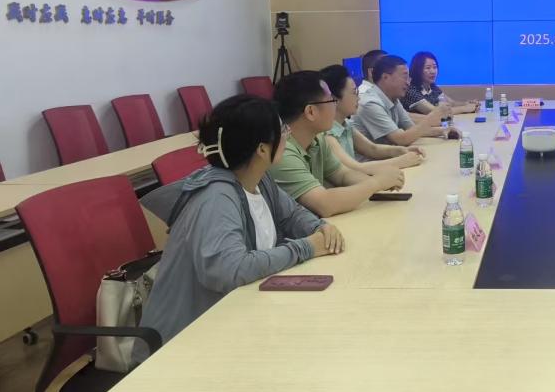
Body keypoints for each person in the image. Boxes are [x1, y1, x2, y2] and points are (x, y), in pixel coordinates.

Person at [133, 95, 343, 362]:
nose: (287, 134)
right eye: (281, 130)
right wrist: (306, 247)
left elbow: (292, 215)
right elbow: (229, 270)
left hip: (232, 321)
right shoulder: (216, 198)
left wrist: (321, 227)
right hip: (183, 346)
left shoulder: (259, 179)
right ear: (262, 149)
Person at [271, 71, 404, 219]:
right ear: (311, 112)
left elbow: (342, 175)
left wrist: (383, 182)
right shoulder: (282, 152)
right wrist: (376, 183)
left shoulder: (317, 139)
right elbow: (324, 204)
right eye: (331, 101)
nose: (335, 106)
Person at [321, 64, 426, 172]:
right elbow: (353, 168)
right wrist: (401, 161)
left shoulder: (345, 124)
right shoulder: (327, 133)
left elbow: (372, 149)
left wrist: (402, 150)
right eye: (354, 92)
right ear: (334, 99)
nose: (358, 98)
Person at [352, 54, 458, 145]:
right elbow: (401, 139)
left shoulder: (393, 98)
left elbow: (411, 129)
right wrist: (432, 117)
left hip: (388, 156)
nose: (408, 83)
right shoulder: (371, 103)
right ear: (385, 77)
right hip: (373, 161)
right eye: (404, 77)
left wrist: (443, 130)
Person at [401, 51, 478, 116]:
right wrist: (465, 108)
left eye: (435, 67)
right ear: (417, 70)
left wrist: (467, 103)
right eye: (428, 68)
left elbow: (451, 103)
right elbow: (436, 113)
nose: (433, 71)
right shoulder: (411, 90)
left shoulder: (432, 87)